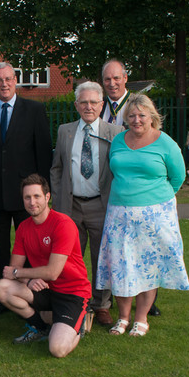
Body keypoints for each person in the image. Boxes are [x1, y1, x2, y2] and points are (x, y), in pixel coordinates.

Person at [97, 94, 189, 337]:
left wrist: (156, 198)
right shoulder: (118, 140)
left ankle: (141, 319)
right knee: (120, 265)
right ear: (125, 119)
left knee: (149, 267)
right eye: (132, 116)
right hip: (119, 215)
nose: (136, 120)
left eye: (141, 115)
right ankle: (123, 318)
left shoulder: (166, 143)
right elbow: (113, 170)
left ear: (152, 117)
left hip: (155, 216)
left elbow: (177, 178)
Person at [0, 62, 52, 316]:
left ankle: (31, 295)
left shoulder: (34, 110)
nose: (4, 84)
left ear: (15, 80)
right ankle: (2, 296)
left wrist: (42, 194)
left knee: (30, 248)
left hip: (26, 196)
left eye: (8, 79)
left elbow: (43, 154)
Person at [0, 175, 92, 358]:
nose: (32, 202)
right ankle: (40, 326)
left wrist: (19, 273)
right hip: (45, 289)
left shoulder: (63, 224)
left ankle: (80, 321)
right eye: (27, 197)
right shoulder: (23, 228)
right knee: (1, 288)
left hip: (71, 292)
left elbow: (52, 272)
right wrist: (28, 279)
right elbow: (14, 268)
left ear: (47, 197)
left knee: (57, 349)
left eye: (37, 196)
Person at [50, 81, 123, 327]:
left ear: (102, 105)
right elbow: (57, 169)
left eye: (93, 102)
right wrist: (59, 204)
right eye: (84, 102)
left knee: (102, 258)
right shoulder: (65, 131)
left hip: (102, 206)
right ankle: (75, 301)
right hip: (71, 207)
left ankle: (101, 305)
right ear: (76, 105)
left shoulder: (115, 132)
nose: (89, 106)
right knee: (71, 258)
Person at [101, 59, 131, 127]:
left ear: (125, 78)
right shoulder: (98, 105)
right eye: (107, 79)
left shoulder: (140, 105)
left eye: (116, 78)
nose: (112, 84)